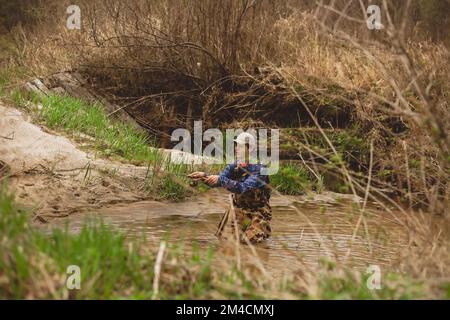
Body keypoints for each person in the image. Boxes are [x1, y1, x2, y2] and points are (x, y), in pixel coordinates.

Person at [188, 133, 272, 244]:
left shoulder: (261, 169)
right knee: (226, 241)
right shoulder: (235, 166)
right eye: (236, 145)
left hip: (258, 212)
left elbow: (243, 188)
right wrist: (204, 176)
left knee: (250, 243)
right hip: (238, 210)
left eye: (240, 146)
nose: (236, 148)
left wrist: (220, 179)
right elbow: (220, 180)